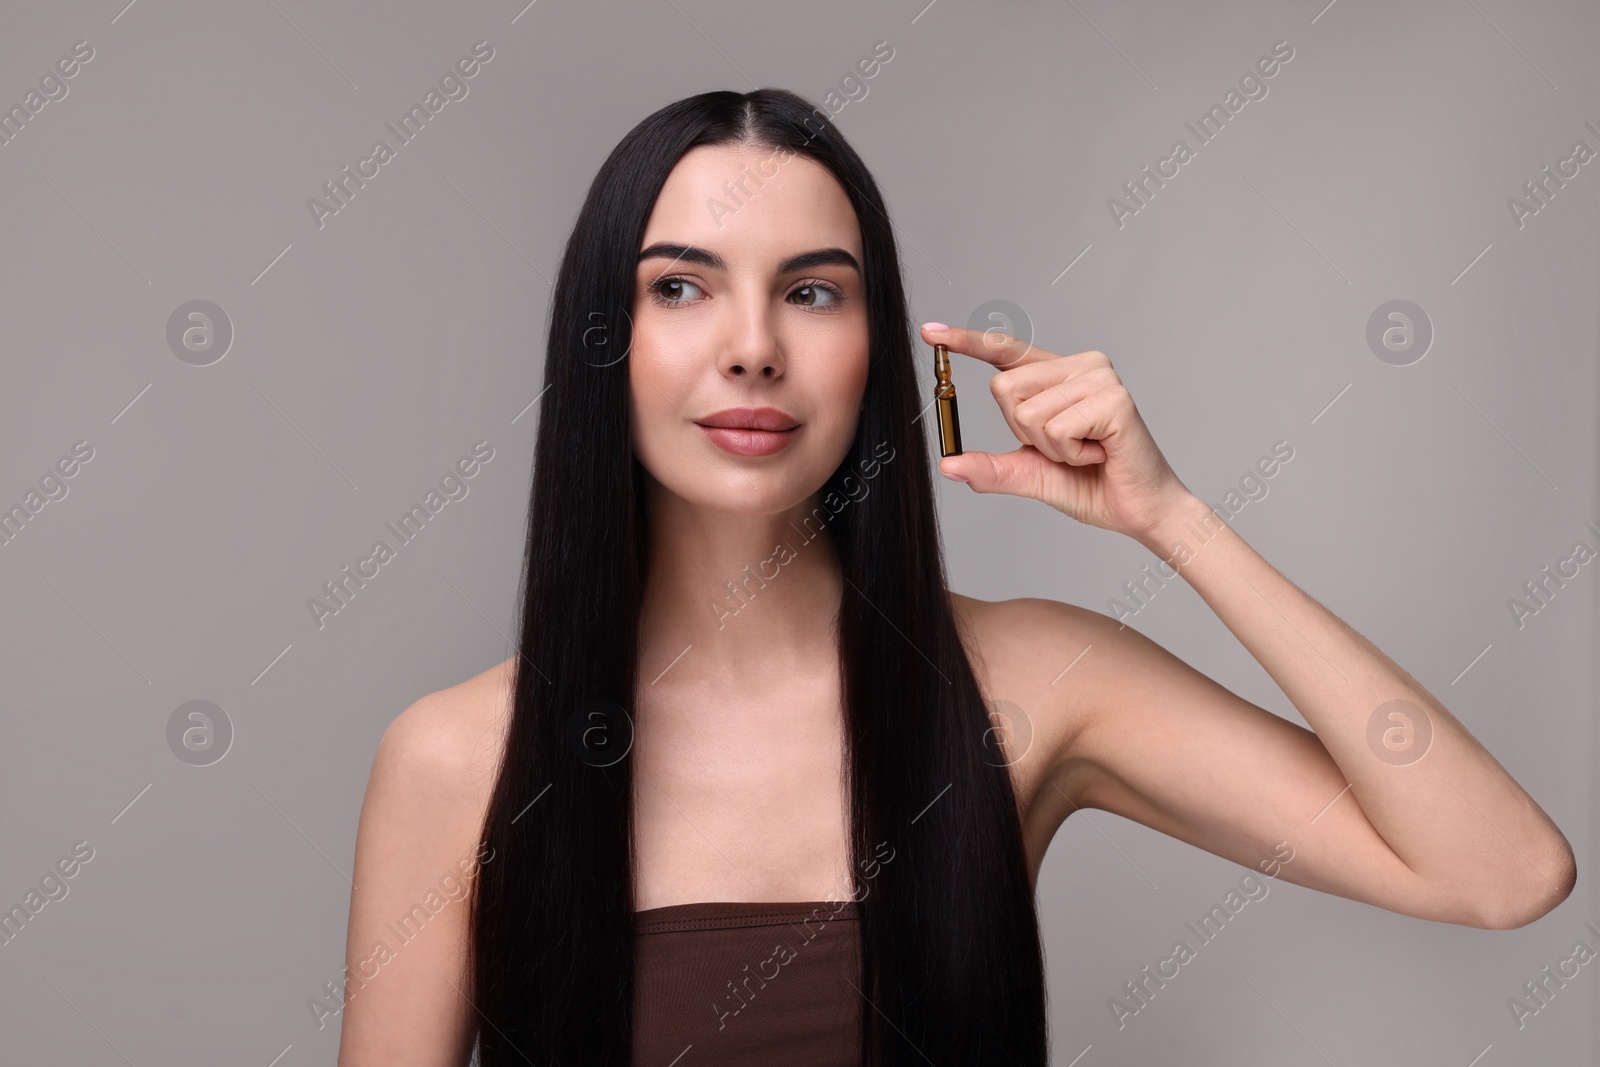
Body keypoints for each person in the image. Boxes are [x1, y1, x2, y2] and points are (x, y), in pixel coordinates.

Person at [334, 88, 1575, 1066]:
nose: (754, 346)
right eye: (680, 287)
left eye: (812, 290)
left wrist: (1174, 521)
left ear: (878, 351)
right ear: (603, 341)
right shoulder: (456, 756)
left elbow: (1502, 871)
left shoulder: (1028, 680)